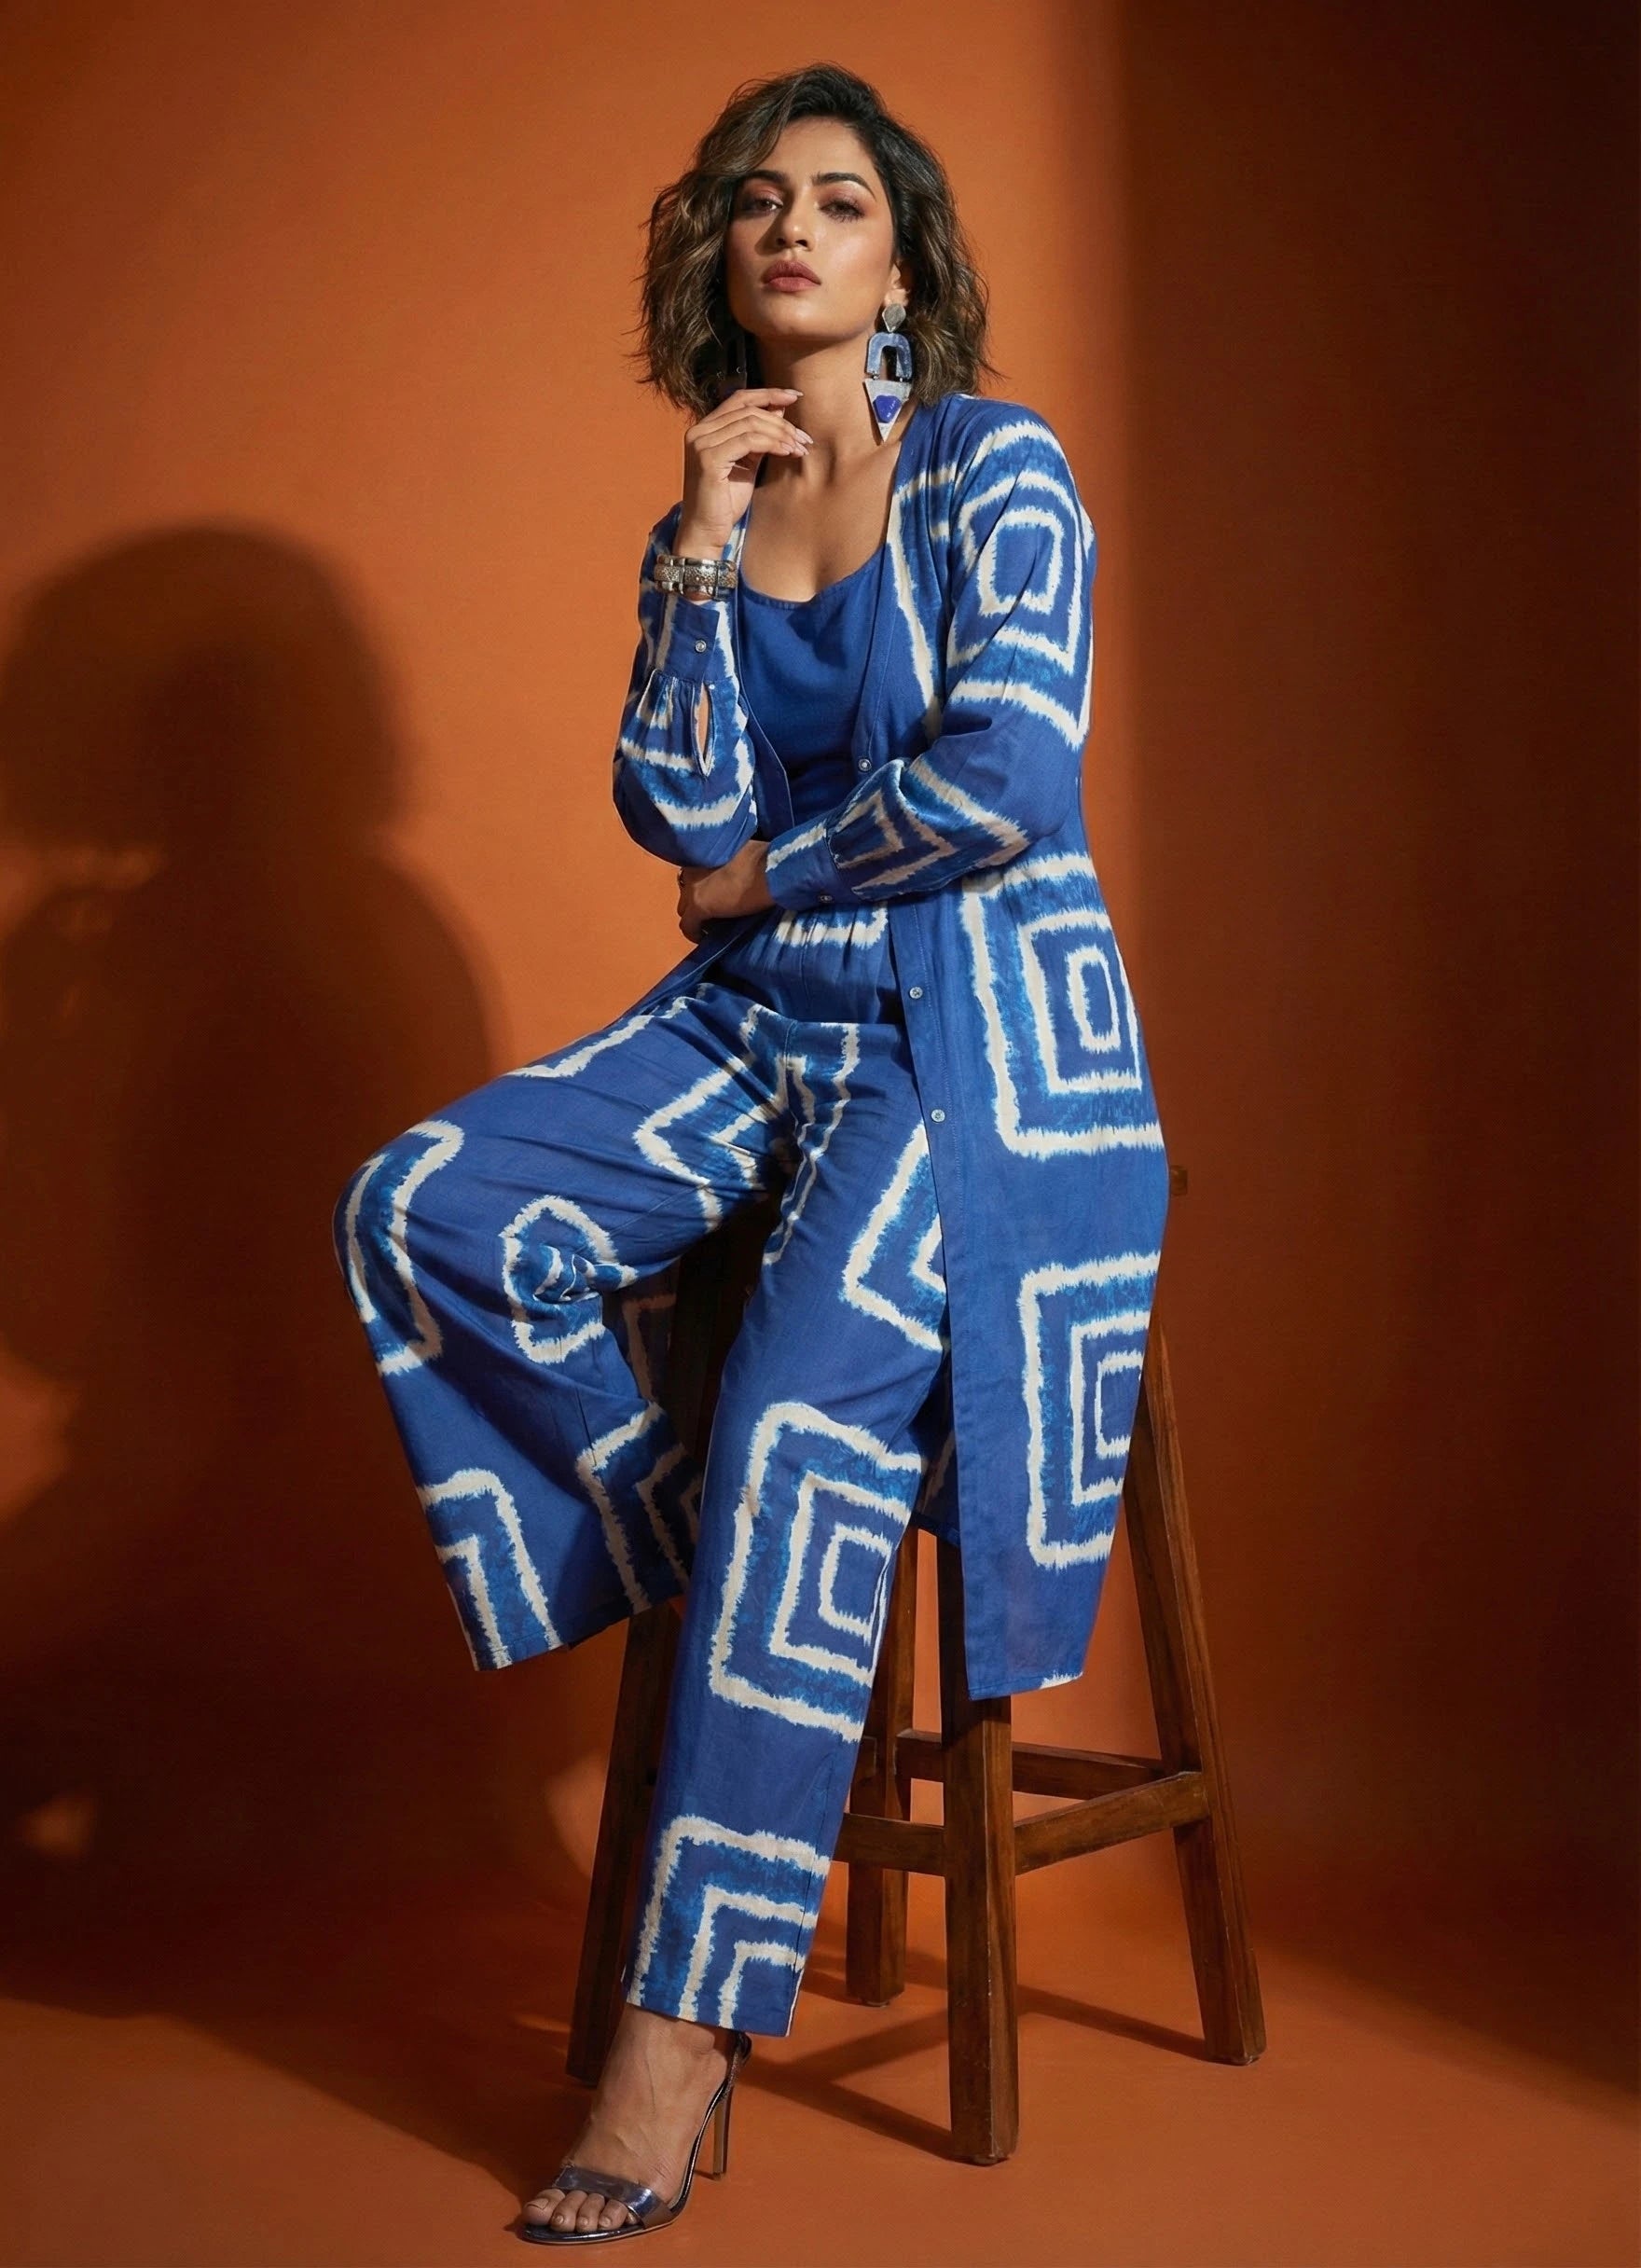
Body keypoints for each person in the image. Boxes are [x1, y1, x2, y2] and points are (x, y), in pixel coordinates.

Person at [331, 60, 1171, 2247]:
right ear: (716, 260)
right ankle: (733, 1589)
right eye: (756, 201)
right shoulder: (701, 506)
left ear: (903, 262)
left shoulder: (997, 468)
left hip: (967, 1052)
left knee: (800, 1426)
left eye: (839, 201)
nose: (791, 227)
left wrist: (763, 879)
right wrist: (701, 545)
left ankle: (671, 2034)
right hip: (753, 1029)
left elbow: (1010, 780)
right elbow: (675, 812)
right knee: (421, 1207)